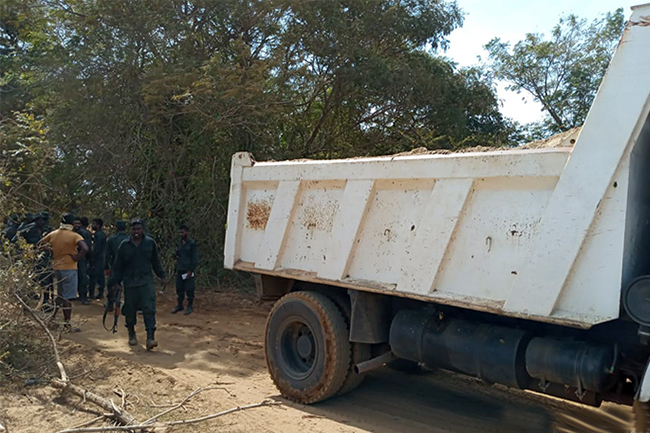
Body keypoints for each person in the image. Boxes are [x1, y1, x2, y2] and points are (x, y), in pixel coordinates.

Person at [107, 219, 165, 350]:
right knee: (129, 309)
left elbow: (156, 262)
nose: (136, 232)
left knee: (149, 308)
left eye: (138, 229)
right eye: (134, 229)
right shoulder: (124, 245)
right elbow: (118, 266)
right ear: (130, 230)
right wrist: (115, 282)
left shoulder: (150, 243)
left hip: (146, 282)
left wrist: (162, 276)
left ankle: (150, 337)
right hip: (130, 283)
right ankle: (131, 334)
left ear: (142, 229)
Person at [39, 213, 88, 331]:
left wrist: (51, 250)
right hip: (70, 268)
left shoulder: (53, 234)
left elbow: (39, 245)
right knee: (67, 298)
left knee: (60, 295)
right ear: (72, 223)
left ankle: (51, 319)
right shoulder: (75, 236)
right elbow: (85, 248)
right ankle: (67, 325)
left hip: (57, 268)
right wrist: (77, 257)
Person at [172, 224, 199, 315]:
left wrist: (190, 270)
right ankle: (180, 305)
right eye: (179, 232)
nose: (181, 234)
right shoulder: (179, 243)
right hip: (180, 268)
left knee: (189, 288)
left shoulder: (192, 244)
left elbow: (195, 258)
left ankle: (190, 306)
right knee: (179, 288)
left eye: (182, 232)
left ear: (187, 232)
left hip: (188, 270)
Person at [73, 216, 92, 304]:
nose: (76, 225)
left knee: (83, 277)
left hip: (82, 258)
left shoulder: (84, 233)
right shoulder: (71, 233)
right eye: (75, 223)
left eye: (78, 223)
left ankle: (83, 296)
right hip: (72, 258)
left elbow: (88, 247)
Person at [89, 218, 107, 299]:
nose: (92, 226)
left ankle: (92, 293)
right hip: (101, 258)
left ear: (98, 225)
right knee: (100, 276)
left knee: (94, 276)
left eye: (94, 224)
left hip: (97, 258)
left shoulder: (99, 235)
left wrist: (92, 256)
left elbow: (96, 248)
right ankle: (100, 293)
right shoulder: (101, 234)